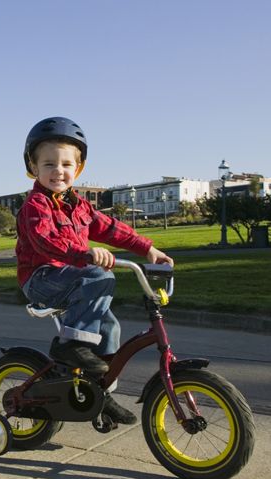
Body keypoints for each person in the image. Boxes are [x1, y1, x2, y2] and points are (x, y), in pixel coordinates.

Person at [16, 116, 173, 425]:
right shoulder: (36, 205)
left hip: (73, 279)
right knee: (100, 276)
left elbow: (113, 229)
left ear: (78, 169)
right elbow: (47, 240)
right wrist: (84, 253)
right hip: (42, 278)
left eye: (65, 164)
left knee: (109, 329)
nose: (57, 171)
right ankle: (70, 347)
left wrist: (148, 249)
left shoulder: (81, 207)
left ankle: (99, 393)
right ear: (33, 168)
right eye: (48, 164)